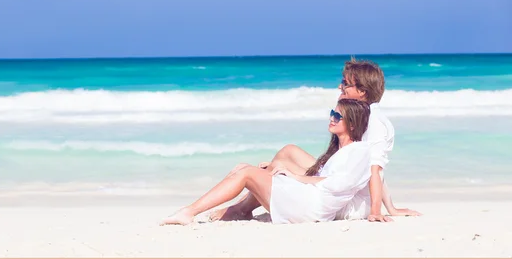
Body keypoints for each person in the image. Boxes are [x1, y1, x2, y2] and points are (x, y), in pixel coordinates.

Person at [208, 59, 421, 223]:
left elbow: (375, 169)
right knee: (288, 152)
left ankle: (242, 209)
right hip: (342, 181)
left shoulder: (373, 122)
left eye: (346, 84)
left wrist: (378, 211)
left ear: (362, 92)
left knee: (279, 166)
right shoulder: (362, 113)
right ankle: (247, 203)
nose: (340, 87)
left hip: (348, 197)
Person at [161, 99, 372, 225]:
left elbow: (337, 184)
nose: (332, 118)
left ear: (353, 125)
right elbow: (326, 178)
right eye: (332, 113)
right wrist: (287, 174)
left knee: (247, 174)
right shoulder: (341, 150)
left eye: (338, 116)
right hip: (308, 200)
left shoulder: (359, 152)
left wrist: (295, 177)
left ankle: (189, 212)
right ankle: (236, 210)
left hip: (309, 207)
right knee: (243, 168)